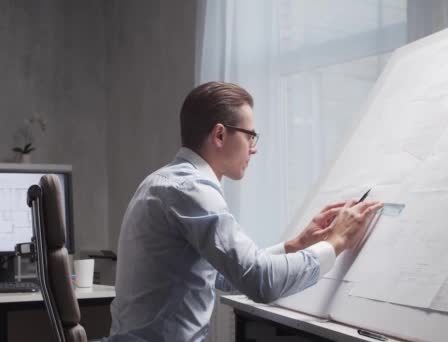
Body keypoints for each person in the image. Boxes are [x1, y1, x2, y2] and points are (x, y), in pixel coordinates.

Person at [107, 81, 383, 341]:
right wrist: (336, 242)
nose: (254, 149)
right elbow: (259, 282)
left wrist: (296, 245)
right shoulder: (191, 189)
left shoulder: (164, 181)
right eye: (250, 136)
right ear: (219, 134)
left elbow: (221, 277)